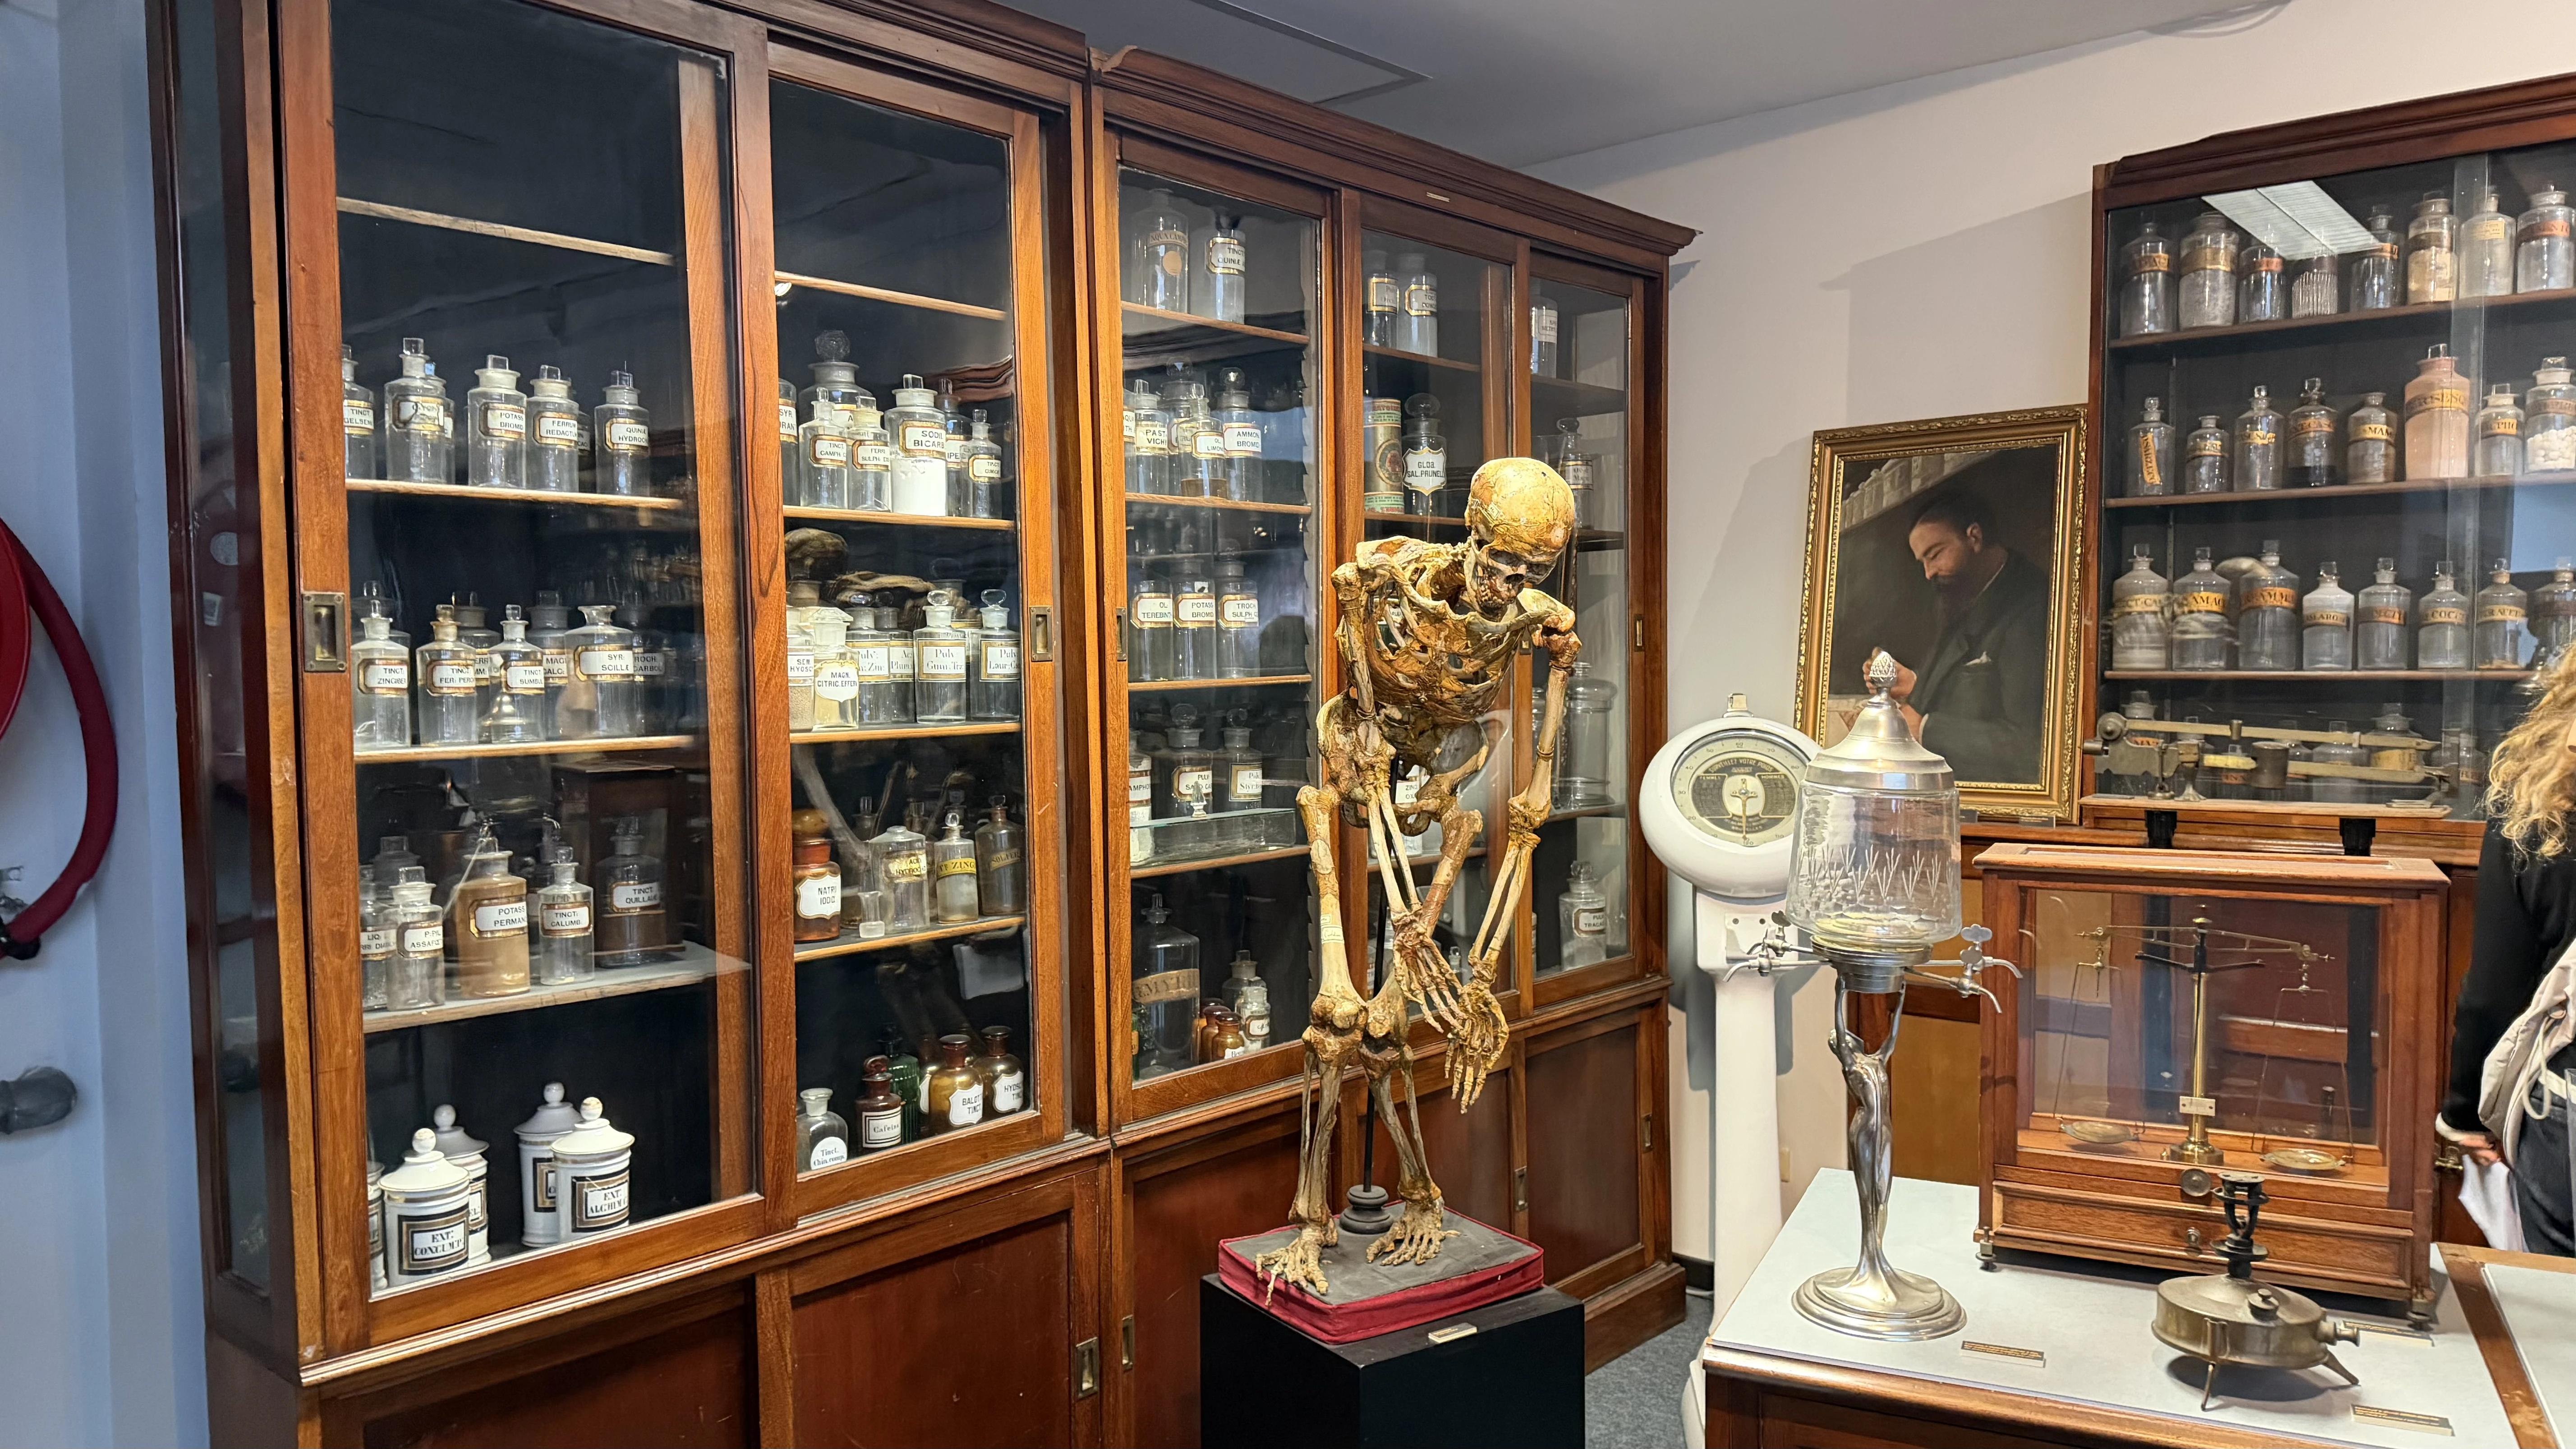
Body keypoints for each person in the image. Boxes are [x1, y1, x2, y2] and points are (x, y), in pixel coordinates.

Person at [2442, 654, 2576, 1255]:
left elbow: (2493, 992)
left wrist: (2465, 1116)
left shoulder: (2539, 808)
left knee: (2557, 1305)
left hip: (2569, 1103)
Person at [1873, 493, 2047, 783]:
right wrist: (1915, 684)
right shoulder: (1967, 593)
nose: (1928, 573)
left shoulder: (2031, 607)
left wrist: (1924, 729)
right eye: (1923, 562)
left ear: (1974, 538)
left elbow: (2031, 747)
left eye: (1935, 555)